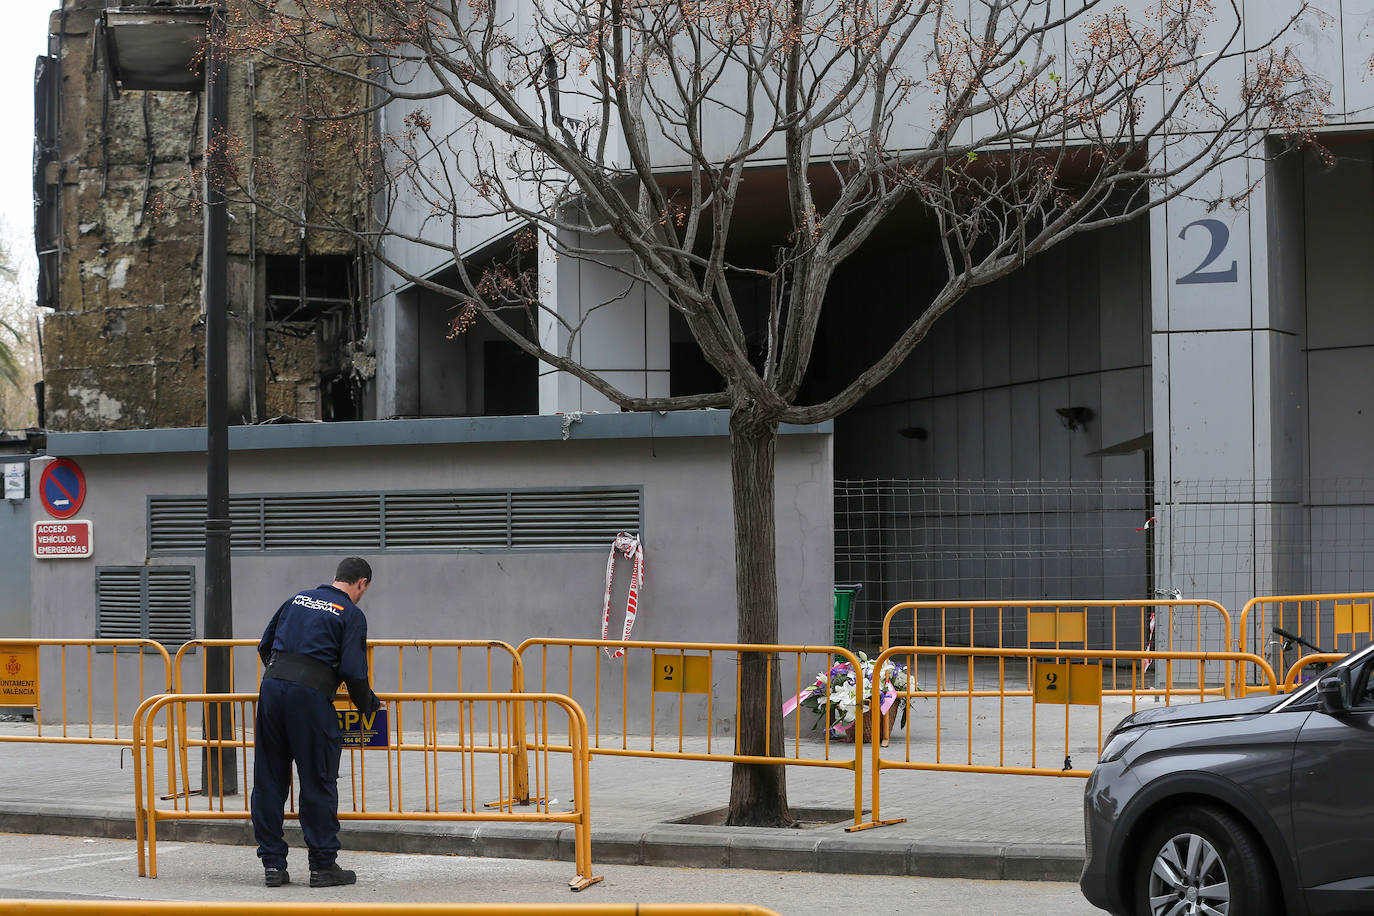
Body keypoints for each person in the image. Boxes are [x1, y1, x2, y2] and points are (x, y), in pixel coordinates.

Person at [251, 557, 380, 888]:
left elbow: (265, 645)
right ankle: (323, 866)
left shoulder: (296, 599)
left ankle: (273, 865)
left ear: (335, 576)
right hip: (309, 699)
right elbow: (353, 670)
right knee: (319, 779)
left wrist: (286, 677)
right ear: (362, 583)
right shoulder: (351, 614)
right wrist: (368, 705)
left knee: (269, 778)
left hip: (272, 688)